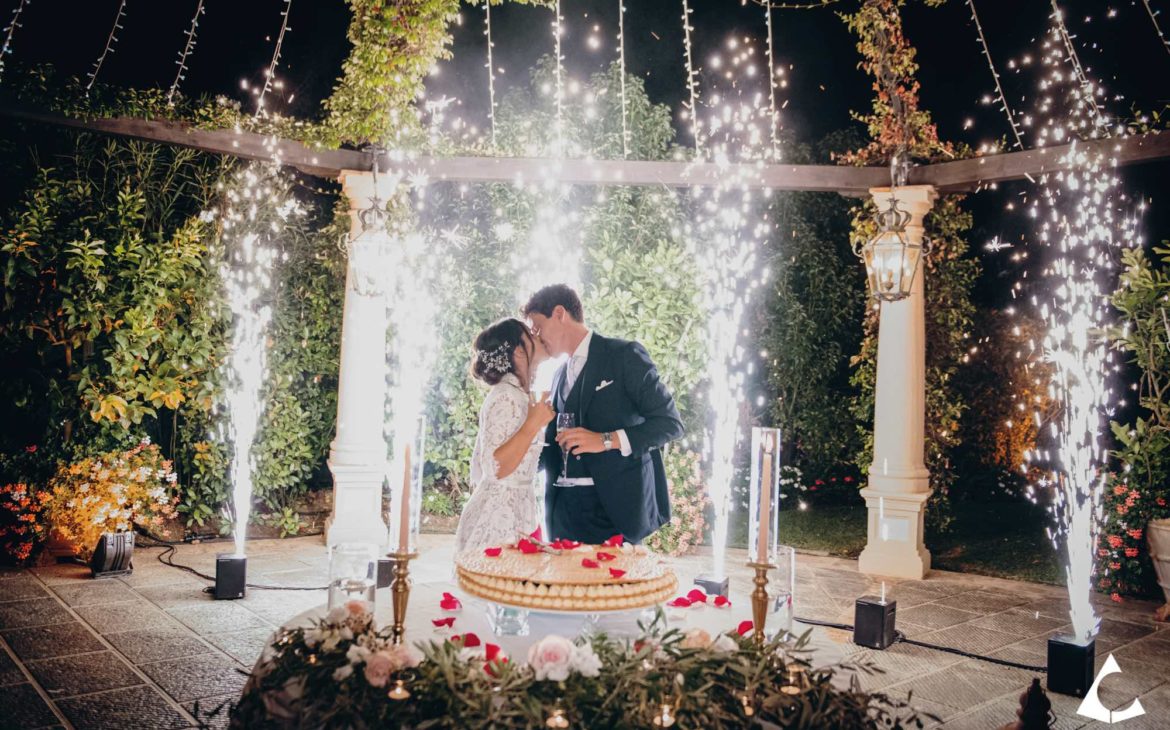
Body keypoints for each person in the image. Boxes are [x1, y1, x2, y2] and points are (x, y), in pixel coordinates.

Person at [523, 284, 684, 545]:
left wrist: (606, 440)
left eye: (538, 326)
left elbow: (670, 423)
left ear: (560, 313)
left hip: (614, 513)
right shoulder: (557, 376)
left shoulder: (624, 356)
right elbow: (553, 447)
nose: (536, 335)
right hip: (562, 515)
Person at [454, 318, 554, 551]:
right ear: (519, 352)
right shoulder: (505, 397)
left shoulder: (519, 394)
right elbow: (493, 467)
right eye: (531, 333)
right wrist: (533, 424)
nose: (537, 334)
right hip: (498, 520)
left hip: (520, 510)